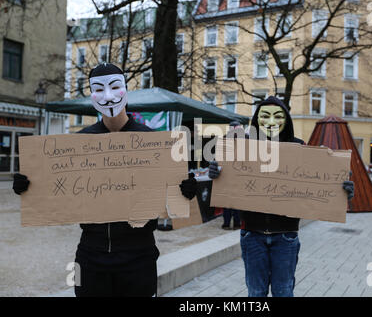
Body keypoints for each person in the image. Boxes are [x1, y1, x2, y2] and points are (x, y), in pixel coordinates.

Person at [12, 63, 197, 297]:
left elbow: (173, 201)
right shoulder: (78, 143)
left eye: (115, 87)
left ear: (126, 91)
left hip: (139, 255)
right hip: (90, 255)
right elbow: (56, 192)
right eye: (98, 89)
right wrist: (29, 187)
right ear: (91, 95)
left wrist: (185, 190)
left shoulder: (153, 141)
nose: (107, 96)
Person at [208, 96, 354, 297]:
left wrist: (341, 188)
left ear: (287, 119)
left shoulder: (299, 147)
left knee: (283, 292)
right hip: (252, 235)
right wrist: (216, 173)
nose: (271, 122)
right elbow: (226, 179)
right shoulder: (241, 146)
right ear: (256, 119)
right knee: (256, 292)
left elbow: (319, 182)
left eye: (278, 116)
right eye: (265, 116)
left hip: (286, 236)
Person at [221, 120, 242, 230]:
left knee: (229, 201)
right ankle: (233, 223)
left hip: (232, 174)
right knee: (233, 201)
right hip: (234, 174)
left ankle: (229, 222)